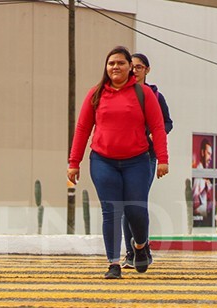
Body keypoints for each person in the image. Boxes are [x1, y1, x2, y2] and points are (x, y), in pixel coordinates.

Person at [67, 46, 168, 279]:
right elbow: (82, 128)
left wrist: (163, 159)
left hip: (137, 162)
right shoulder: (96, 93)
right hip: (103, 161)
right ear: (106, 67)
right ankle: (113, 263)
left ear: (129, 68)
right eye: (111, 63)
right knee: (111, 210)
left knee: (136, 210)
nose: (115, 67)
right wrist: (74, 162)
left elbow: (158, 127)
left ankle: (141, 246)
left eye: (120, 63)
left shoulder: (143, 94)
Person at [120, 52, 173, 269]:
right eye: (131, 67)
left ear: (147, 70)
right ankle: (131, 252)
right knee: (126, 205)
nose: (134, 71)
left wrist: (155, 136)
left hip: (147, 157)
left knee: (137, 202)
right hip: (123, 156)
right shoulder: (121, 94)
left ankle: (143, 248)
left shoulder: (155, 96)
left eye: (139, 67)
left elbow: (167, 123)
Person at [192, 138, 214, 218]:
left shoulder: (204, 175)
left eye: (211, 154)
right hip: (200, 219)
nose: (210, 158)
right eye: (208, 153)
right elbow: (195, 204)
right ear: (202, 153)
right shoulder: (198, 177)